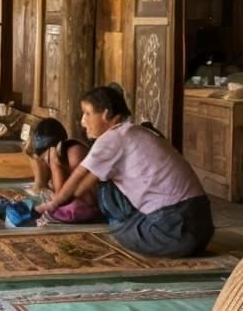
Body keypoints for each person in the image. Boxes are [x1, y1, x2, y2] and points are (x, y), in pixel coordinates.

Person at [37, 85, 213, 257]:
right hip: (201, 227)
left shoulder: (112, 138)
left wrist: (51, 206)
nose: (83, 121)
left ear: (106, 114)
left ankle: (134, 230)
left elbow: (78, 180)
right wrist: (59, 202)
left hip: (172, 229)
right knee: (104, 181)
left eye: (88, 113)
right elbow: (81, 187)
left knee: (118, 229)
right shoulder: (137, 131)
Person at [26, 117, 99, 223]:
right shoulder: (56, 158)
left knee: (70, 208)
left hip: (91, 201)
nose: (47, 161)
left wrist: (55, 165)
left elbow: (63, 195)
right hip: (72, 199)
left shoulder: (75, 150)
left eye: (47, 156)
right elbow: (58, 193)